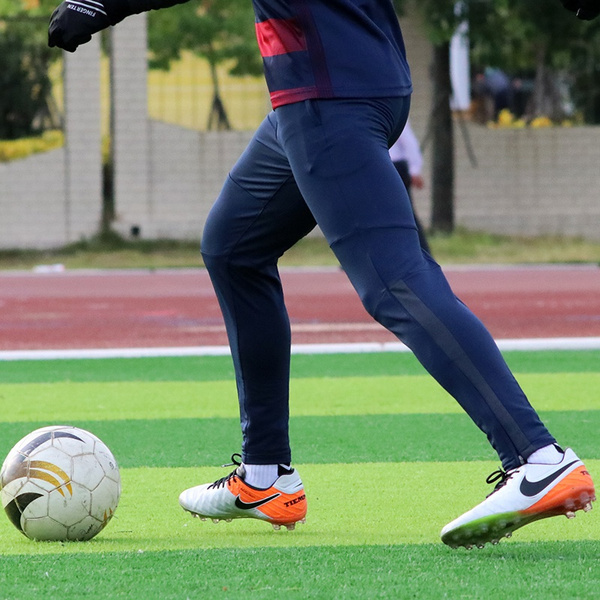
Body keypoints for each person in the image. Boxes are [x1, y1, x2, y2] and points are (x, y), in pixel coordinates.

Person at [48, 0, 596, 549]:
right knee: (233, 248)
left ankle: (538, 457)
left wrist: (100, 4)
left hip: (330, 94)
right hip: (338, 87)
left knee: (395, 282)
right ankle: (265, 477)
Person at [388, 119, 431, 254]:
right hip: (380, 165)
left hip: (394, 166)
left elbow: (408, 141)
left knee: (405, 213)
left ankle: (423, 252)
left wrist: (415, 169)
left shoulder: (387, 110)